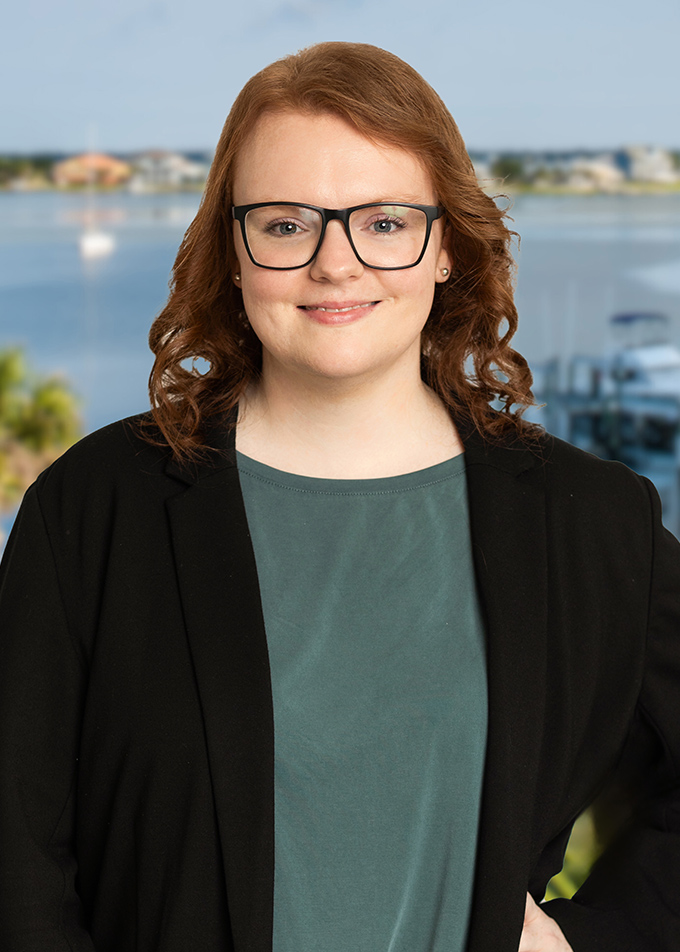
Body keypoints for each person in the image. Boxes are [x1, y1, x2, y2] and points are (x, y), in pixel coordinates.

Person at [0, 41, 678, 952]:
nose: (336, 263)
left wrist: (592, 940)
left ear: (446, 247)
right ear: (232, 252)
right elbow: (16, 854)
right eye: (286, 225)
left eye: (385, 222)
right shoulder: (93, 510)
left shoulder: (591, 521)